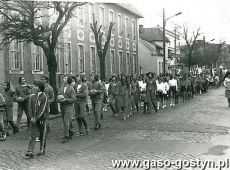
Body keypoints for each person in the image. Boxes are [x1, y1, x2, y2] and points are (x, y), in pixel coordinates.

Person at [25, 80, 48, 157]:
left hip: (41, 119)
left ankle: (42, 149)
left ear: (40, 87)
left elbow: (42, 109)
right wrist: (31, 117)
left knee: (42, 134)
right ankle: (30, 151)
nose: (34, 87)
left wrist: (36, 118)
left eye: (36, 86)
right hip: (33, 119)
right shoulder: (33, 97)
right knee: (33, 135)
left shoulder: (44, 97)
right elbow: (30, 108)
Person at [58, 75, 76, 143]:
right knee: (64, 121)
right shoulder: (62, 87)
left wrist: (66, 100)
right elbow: (59, 95)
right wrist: (59, 99)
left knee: (66, 121)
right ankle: (71, 131)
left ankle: (66, 136)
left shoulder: (71, 88)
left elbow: (73, 99)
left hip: (68, 106)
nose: (64, 79)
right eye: (64, 78)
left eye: (65, 78)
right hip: (62, 106)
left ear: (68, 80)